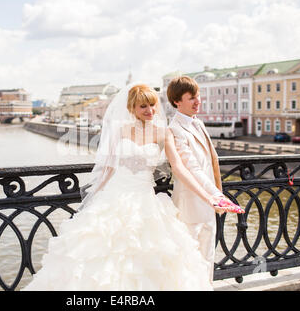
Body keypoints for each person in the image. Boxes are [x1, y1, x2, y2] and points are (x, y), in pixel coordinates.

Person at [22, 83, 233, 291]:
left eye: (152, 105)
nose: (150, 110)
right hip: (116, 196)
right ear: (132, 109)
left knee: (150, 256)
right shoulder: (120, 130)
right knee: (105, 257)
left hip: (146, 200)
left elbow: (179, 168)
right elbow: (108, 169)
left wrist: (208, 195)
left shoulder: (163, 133)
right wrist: (94, 197)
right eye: (143, 106)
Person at [167, 75, 226, 286]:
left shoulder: (198, 124)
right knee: (189, 261)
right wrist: (216, 195)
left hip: (209, 204)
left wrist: (216, 195)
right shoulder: (174, 129)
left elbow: (212, 163)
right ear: (177, 101)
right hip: (190, 205)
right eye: (191, 97)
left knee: (208, 258)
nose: (197, 101)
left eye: (198, 96)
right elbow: (191, 168)